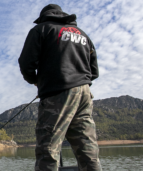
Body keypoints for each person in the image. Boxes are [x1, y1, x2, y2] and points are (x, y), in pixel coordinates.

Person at [18, 4, 102, 171]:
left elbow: (26, 63)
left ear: (44, 17)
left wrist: (36, 81)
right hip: (85, 93)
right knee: (87, 148)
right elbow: (94, 71)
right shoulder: (84, 35)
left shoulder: (41, 29)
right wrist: (79, 80)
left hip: (57, 93)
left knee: (48, 148)